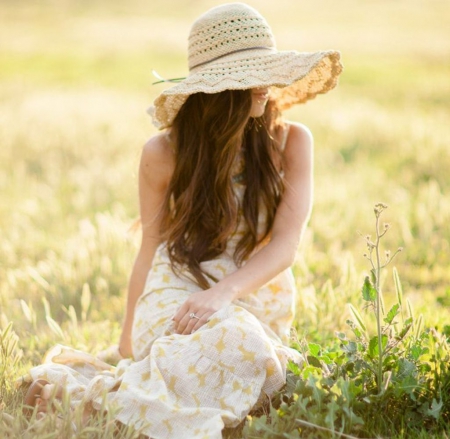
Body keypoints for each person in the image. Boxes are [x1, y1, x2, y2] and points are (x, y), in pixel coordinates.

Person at [22, 3, 342, 438]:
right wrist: (127, 342)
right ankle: (121, 390)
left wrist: (221, 296)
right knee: (224, 349)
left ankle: (107, 397)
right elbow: (150, 246)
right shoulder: (164, 153)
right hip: (178, 284)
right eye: (252, 74)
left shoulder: (291, 142)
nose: (266, 85)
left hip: (253, 293)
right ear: (218, 89)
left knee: (246, 345)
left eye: (267, 68)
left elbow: (286, 247)